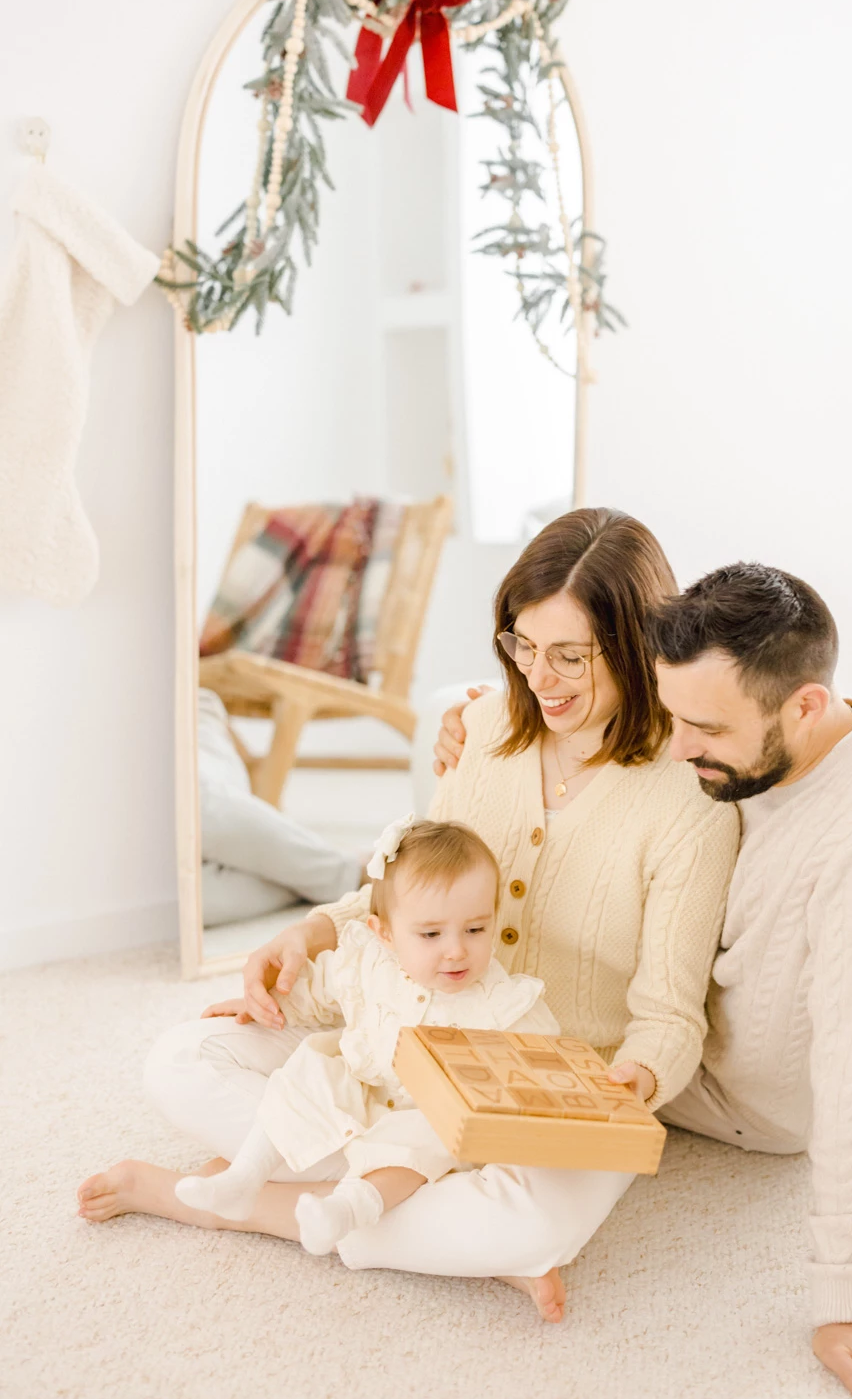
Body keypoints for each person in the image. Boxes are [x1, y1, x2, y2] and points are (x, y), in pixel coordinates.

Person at [79, 508, 739, 1324]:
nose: (542, 679)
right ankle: (413, 1200)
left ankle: (233, 1198)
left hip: (543, 1089)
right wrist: (309, 934)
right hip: (393, 1039)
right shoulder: (485, 732)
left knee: (535, 1218)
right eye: (522, 647)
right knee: (181, 1060)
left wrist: (624, 1089)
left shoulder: (688, 801)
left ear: (638, 643)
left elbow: (670, 1018)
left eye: (572, 655)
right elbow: (404, 893)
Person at [435, 560, 852, 1399]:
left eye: (703, 730)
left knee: (443, 1070)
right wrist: (497, 711)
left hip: (734, 1095)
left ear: (805, 705)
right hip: (683, 994)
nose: (677, 745)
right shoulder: (764, 716)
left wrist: (849, 1302)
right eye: (674, 715)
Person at [177, 816, 559, 1254]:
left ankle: (345, 1211)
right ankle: (243, 1178)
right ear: (385, 933)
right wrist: (263, 1003)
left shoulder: (499, 999)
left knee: (427, 1143)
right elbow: (315, 990)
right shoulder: (368, 960)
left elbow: (541, 1051)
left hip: (425, 1113)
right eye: (431, 934)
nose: (456, 949)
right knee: (309, 1072)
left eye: (475, 930)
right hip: (362, 1085)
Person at [198, 688, 360, 924]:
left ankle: (338, 873)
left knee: (191, 803)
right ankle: (333, 874)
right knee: (179, 902)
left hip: (177, 725)